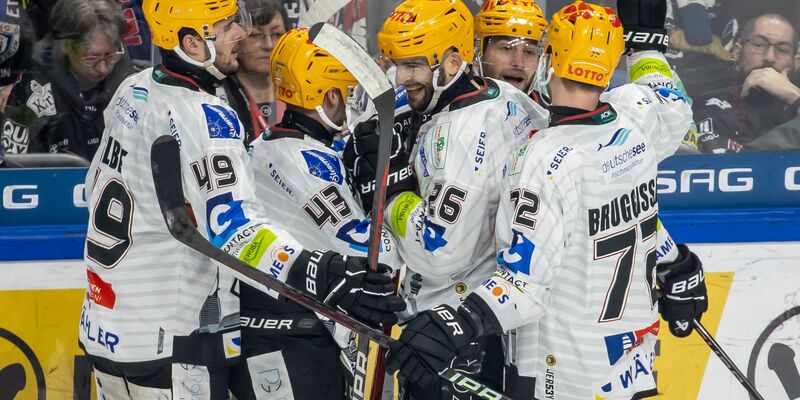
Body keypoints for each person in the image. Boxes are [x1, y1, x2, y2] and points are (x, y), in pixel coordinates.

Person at [79, 0, 404, 398]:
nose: (240, 33)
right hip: (172, 337)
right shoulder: (204, 116)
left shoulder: (133, 89)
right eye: (226, 26)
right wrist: (325, 272)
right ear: (192, 43)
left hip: (107, 327)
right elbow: (234, 230)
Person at [385, 1, 708, 399]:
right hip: (630, 361)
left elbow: (525, 284)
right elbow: (667, 102)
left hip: (563, 370)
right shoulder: (635, 120)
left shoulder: (541, 158)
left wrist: (458, 322)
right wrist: (646, 49)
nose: (519, 61)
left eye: (531, 48)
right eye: (505, 46)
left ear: (550, 57)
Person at [344, 0, 549, 398]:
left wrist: (390, 191)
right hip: (489, 324)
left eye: (413, 65)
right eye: (398, 64)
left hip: (451, 334)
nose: (401, 78)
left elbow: (437, 249)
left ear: (453, 62)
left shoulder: (460, 134)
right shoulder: (504, 96)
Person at [1, 0, 134, 161]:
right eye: (92, 58)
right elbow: (13, 166)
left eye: (110, 56)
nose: (103, 68)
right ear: (65, 46)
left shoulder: (134, 86)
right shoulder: (33, 94)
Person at [694, 13, 800, 153]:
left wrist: (793, 96)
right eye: (758, 45)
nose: (770, 57)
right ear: (737, 52)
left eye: (782, 50)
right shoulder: (712, 107)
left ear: (796, 62)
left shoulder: (795, 101)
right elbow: (730, 162)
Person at [474, 0, 547, 95]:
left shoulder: (544, 105)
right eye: (507, 48)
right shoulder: (459, 103)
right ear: (477, 51)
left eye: (529, 52)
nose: (519, 63)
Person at [236, 0, 288, 126]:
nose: (269, 45)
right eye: (255, 34)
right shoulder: (217, 96)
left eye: (277, 34)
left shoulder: (299, 93)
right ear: (235, 39)